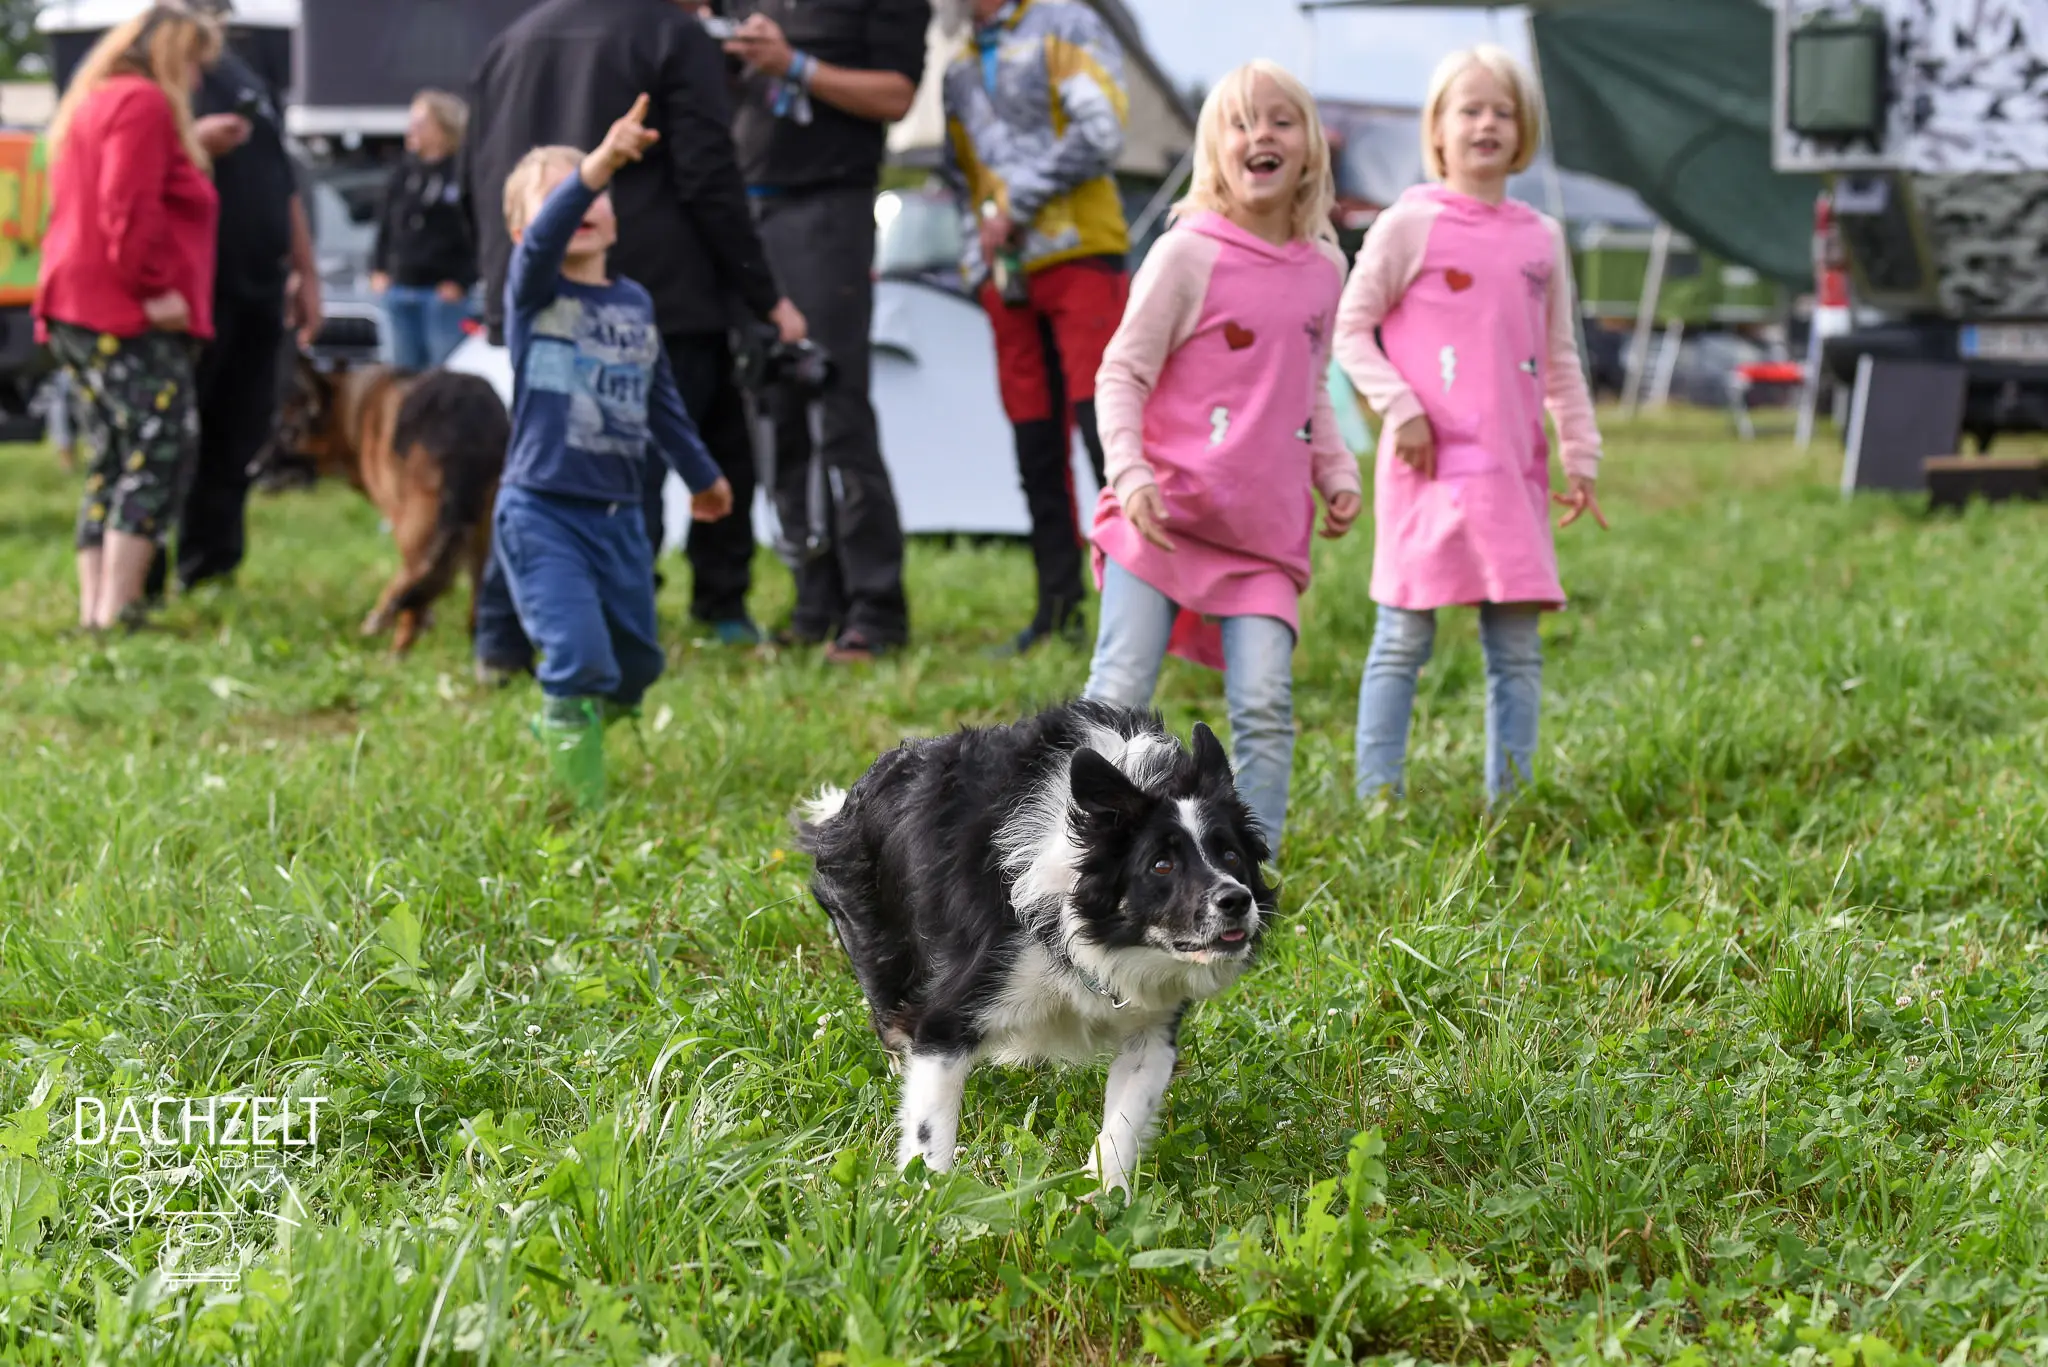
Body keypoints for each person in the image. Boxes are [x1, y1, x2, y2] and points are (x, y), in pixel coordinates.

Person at [464, 0, 805, 680]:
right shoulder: (671, 35)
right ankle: (619, 629)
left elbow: (472, 171)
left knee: (549, 469)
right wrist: (763, 293)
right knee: (618, 481)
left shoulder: (510, 40)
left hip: (543, 291)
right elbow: (710, 174)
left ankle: (506, 640)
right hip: (659, 292)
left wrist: (498, 272)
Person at [1079, 60, 1359, 856]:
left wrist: (1335, 469)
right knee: (1119, 692)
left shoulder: (1325, 270)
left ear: (1310, 147)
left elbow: (1308, 387)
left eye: (1280, 121)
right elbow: (1121, 372)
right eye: (1239, 123)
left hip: (1262, 536)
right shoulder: (1186, 254)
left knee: (1265, 704)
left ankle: (1249, 866)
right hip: (1160, 519)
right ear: (1214, 149)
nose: (1259, 135)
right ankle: (1078, 854)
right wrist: (1130, 472)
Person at [1334, 45, 1607, 806]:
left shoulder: (1541, 238)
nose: (1487, 124)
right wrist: (1401, 407)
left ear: (1524, 130)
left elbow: (1560, 355)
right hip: (1426, 471)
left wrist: (1580, 452)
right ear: (1437, 128)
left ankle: (1510, 802)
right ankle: (1378, 800)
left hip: (1511, 474)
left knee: (1516, 650)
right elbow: (1352, 330)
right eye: (1470, 109)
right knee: (1402, 640)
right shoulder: (1408, 223)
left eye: (1503, 111)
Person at [492, 98, 735, 809]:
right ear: (524, 232)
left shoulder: (635, 304)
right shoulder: (533, 293)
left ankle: (574, 716)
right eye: (563, 198)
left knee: (636, 663)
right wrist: (597, 162)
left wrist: (702, 475)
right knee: (579, 655)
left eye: (598, 194)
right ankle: (582, 799)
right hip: (541, 511)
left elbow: (660, 399)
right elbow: (548, 237)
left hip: (619, 515)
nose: (586, 202)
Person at [718, 0, 929, 661]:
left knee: (835, 405)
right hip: (748, 207)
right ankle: (815, 599)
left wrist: (795, 65)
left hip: (827, 209)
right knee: (772, 405)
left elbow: (896, 94)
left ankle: (876, 608)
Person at [941, 0, 1132, 655]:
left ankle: (1144, 616)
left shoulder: (1065, 23)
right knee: (1035, 448)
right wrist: (976, 264)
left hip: (1083, 256)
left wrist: (1015, 204)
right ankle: (1057, 611)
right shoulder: (958, 65)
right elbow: (959, 175)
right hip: (1006, 280)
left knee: (1109, 440)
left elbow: (1103, 130)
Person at [35, 5, 222, 633]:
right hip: (122, 311)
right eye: (195, 63)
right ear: (172, 53)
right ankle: (117, 610)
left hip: (75, 305)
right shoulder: (143, 102)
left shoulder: (94, 98)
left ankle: (97, 611)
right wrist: (154, 289)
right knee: (160, 445)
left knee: (113, 453)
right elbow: (128, 205)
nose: (197, 81)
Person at [146, 0, 321, 601]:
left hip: (259, 282)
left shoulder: (247, 73)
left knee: (239, 427)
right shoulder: (159, 65)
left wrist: (306, 271)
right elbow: (133, 165)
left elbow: (283, 181)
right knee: (176, 431)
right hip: (194, 286)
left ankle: (210, 565)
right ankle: (142, 572)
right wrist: (195, 141)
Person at [372, 90, 478, 370]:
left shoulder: (462, 174)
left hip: (441, 294)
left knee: (442, 372)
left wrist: (462, 280)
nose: (412, 129)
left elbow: (477, 233)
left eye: (421, 123)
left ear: (443, 127)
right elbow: (385, 224)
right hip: (400, 287)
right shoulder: (403, 172)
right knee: (400, 373)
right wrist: (379, 268)